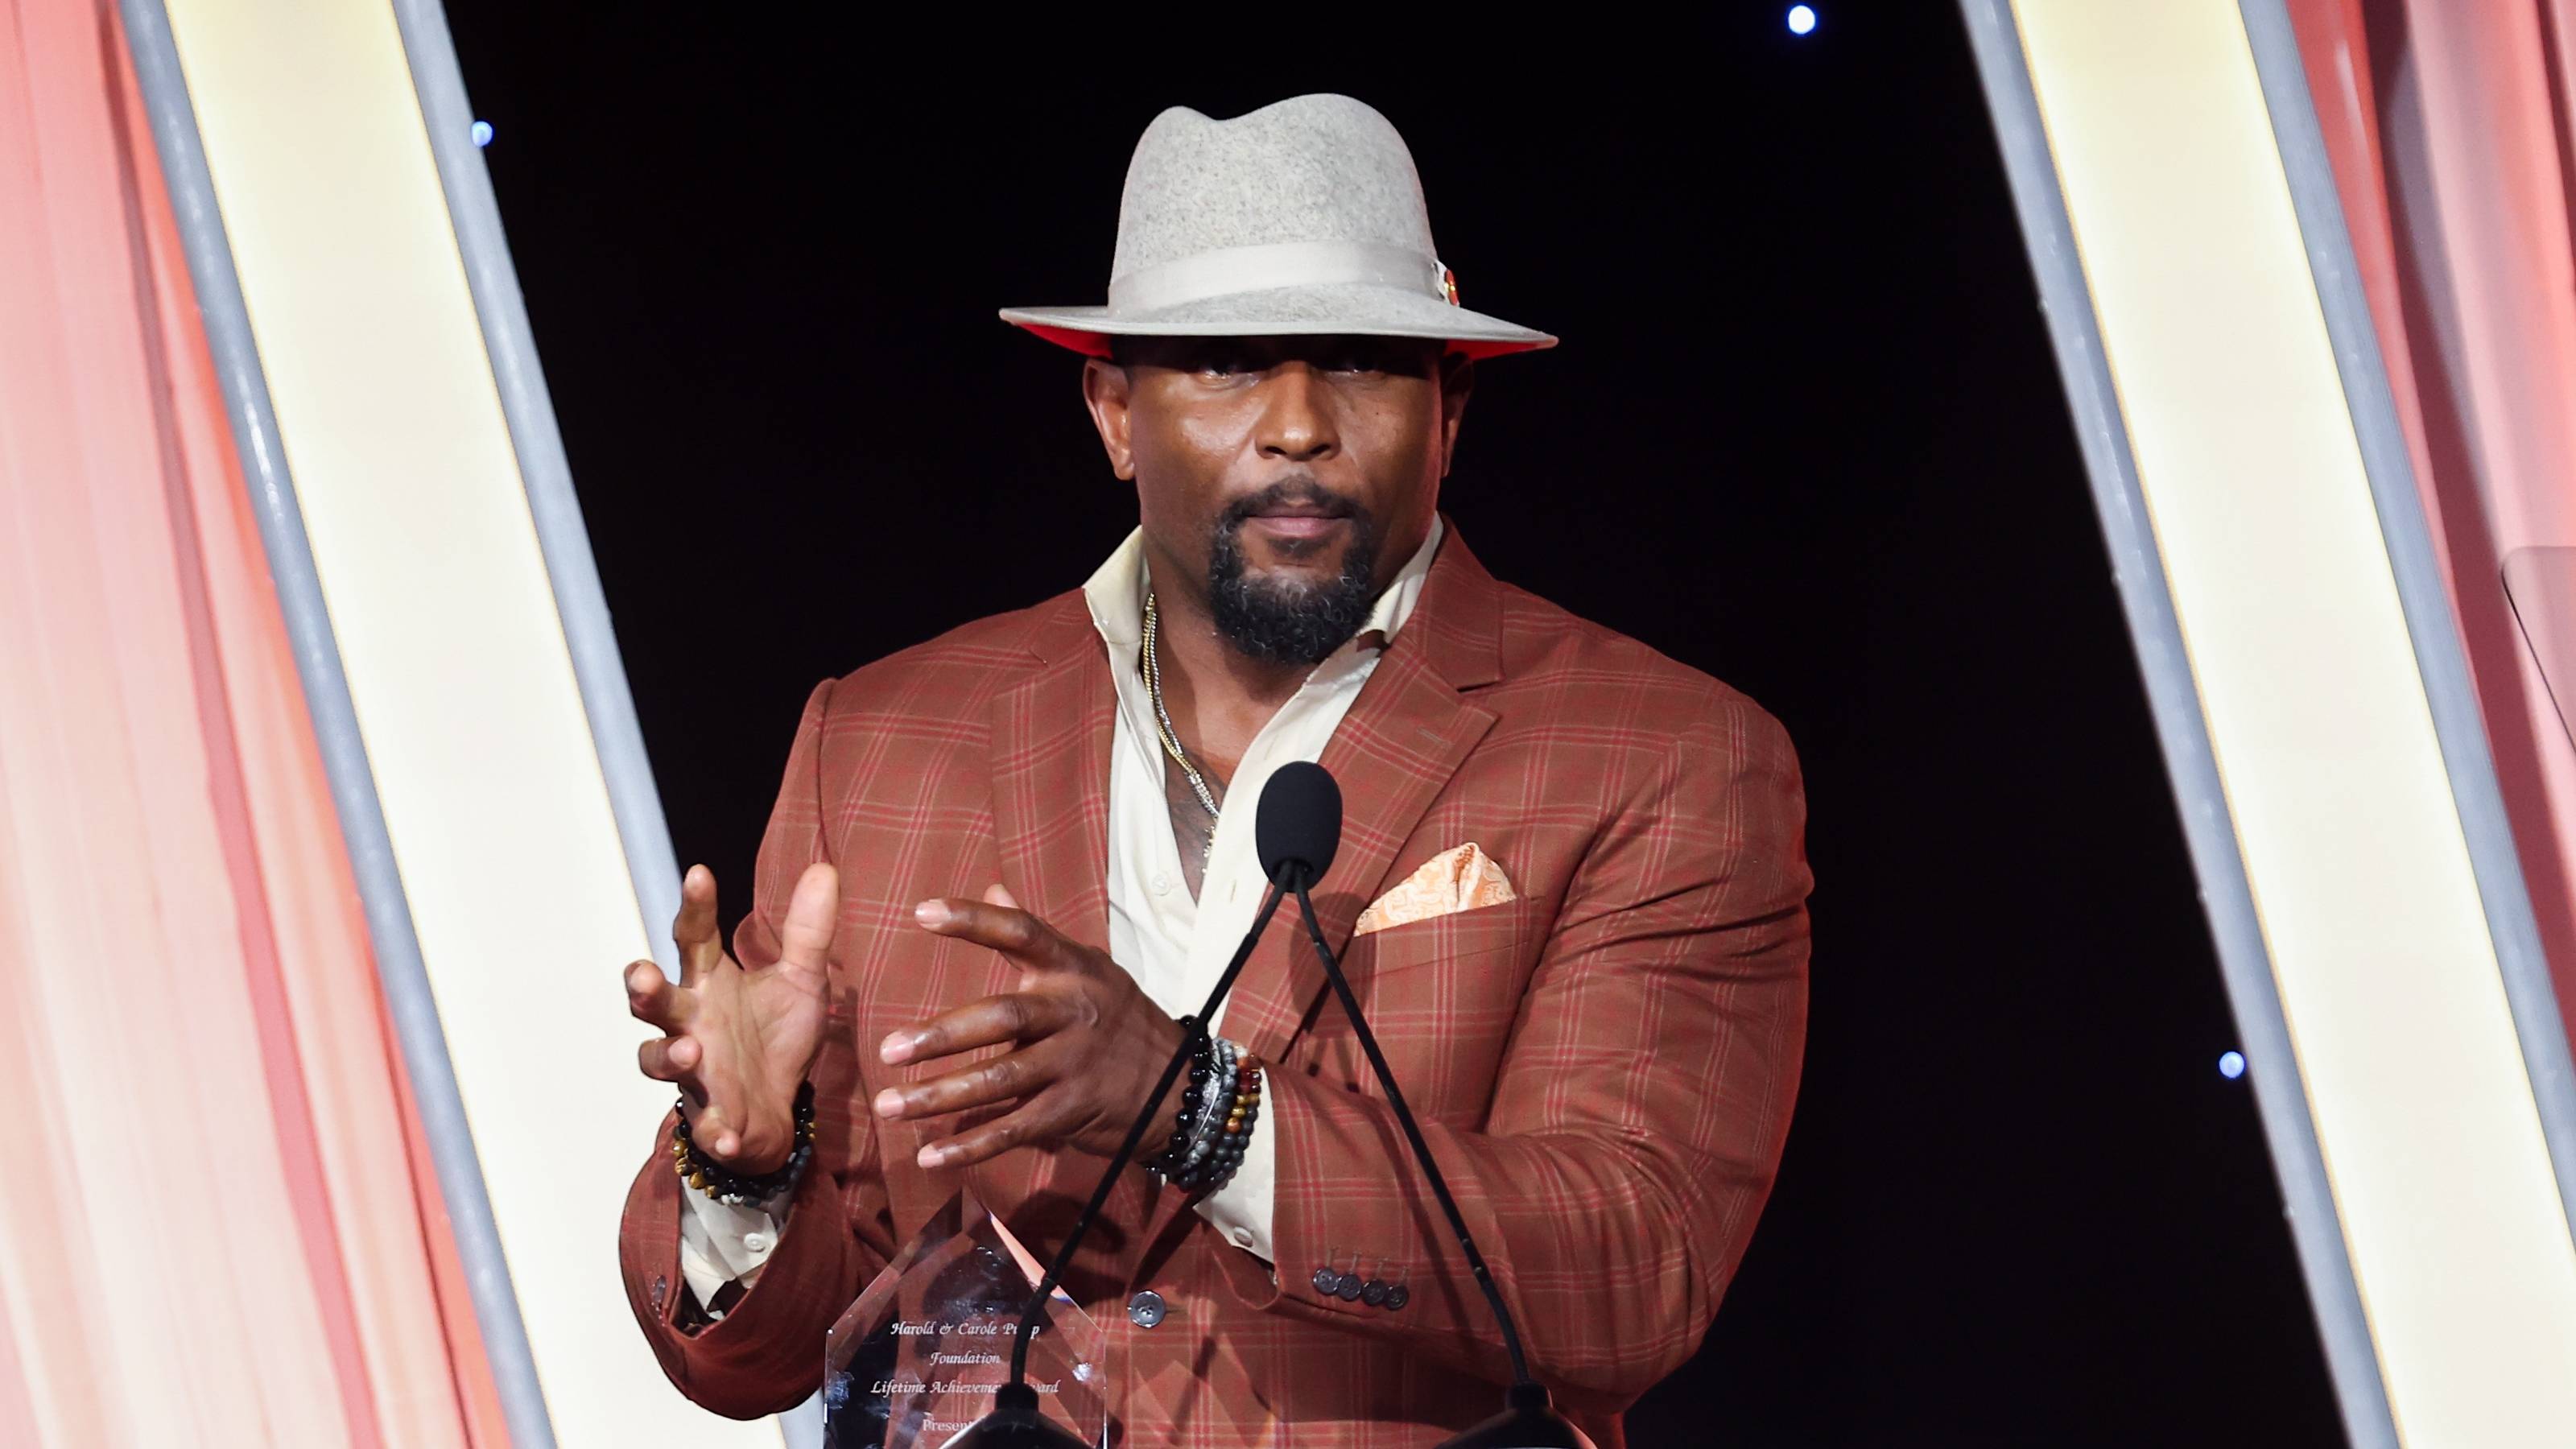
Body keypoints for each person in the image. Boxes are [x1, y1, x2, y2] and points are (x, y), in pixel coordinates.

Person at [617, 93, 1811, 1447]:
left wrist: (1205, 1116)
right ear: (1116, 413)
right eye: (1229, 363)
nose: (1298, 424)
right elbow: (765, 1360)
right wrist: (751, 1171)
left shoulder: (1660, 753)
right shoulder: (885, 738)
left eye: (1358, 362)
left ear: (1450, 409)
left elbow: (1635, 1269)